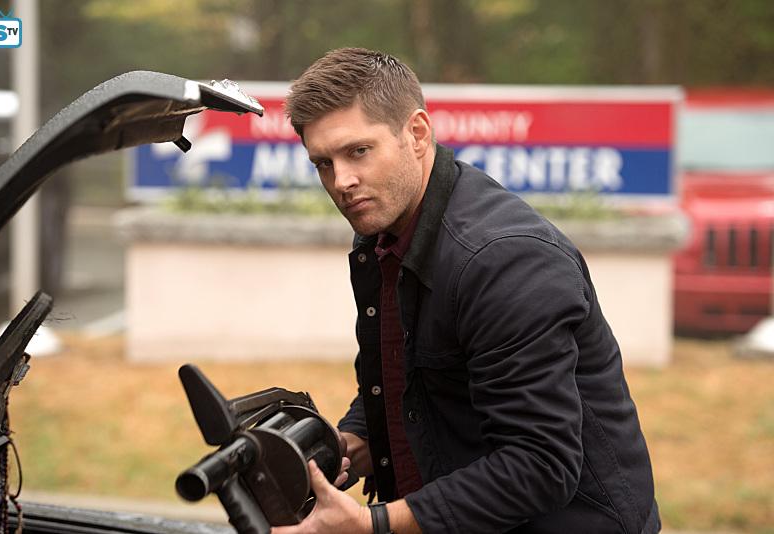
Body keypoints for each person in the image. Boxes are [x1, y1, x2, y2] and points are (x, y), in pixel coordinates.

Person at [274, 47, 660, 534]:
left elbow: (540, 465)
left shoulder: (503, 261)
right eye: (322, 163)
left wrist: (374, 524)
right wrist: (348, 444)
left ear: (417, 134)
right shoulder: (382, 236)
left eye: (358, 151)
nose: (342, 181)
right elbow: (411, 382)